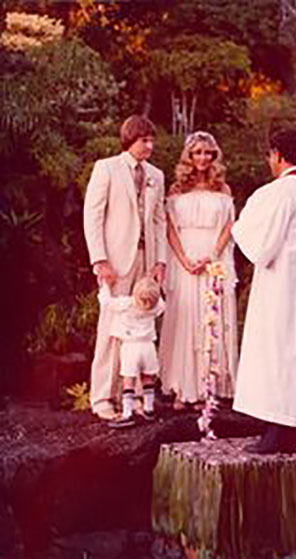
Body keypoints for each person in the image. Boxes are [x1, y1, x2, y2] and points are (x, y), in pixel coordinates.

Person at [232, 129, 296, 454]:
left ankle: (275, 431)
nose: (269, 161)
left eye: (270, 155)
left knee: (278, 350)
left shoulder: (279, 192)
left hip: (283, 285)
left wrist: (239, 225)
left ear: (278, 155)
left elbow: (260, 244)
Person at [83, 115, 167, 420]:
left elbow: (159, 219)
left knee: (141, 329)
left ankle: (131, 398)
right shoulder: (106, 168)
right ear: (130, 139)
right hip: (115, 262)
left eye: (152, 140)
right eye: (145, 140)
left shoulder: (156, 174)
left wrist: (160, 261)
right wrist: (99, 259)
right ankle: (103, 398)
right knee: (112, 328)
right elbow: (92, 216)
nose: (150, 146)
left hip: (147, 261)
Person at [159, 131, 238, 409]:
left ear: (214, 156)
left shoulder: (223, 189)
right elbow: (169, 228)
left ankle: (207, 388)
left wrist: (211, 256)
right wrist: (183, 259)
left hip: (213, 259)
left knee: (210, 319)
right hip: (184, 260)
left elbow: (229, 227)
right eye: (197, 152)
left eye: (207, 153)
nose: (202, 158)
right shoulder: (177, 189)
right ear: (189, 156)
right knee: (185, 319)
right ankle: (183, 387)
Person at [97, 277, 165, 428]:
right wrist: (157, 285)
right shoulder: (156, 307)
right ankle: (148, 409)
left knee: (129, 381)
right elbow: (161, 303)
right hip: (148, 348)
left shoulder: (126, 304)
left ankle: (127, 413)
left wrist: (105, 286)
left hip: (130, 347)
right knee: (148, 378)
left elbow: (107, 303)